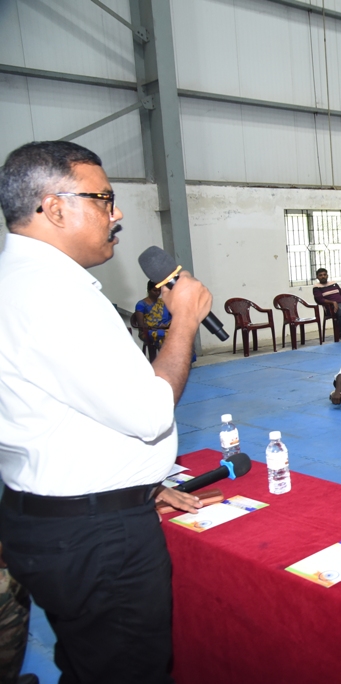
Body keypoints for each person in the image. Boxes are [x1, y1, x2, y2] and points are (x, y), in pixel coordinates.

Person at [0, 140, 212, 680]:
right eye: (103, 199)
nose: (115, 214)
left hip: (50, 515)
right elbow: (147, 412)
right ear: (54, 207)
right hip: (96, 541)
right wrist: (182, 320)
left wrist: (132, 487)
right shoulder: (55, 294)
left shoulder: (15, 282)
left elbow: (57, 412)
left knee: (88, 664)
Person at [133, 280, 172, 358]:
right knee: (165, 334)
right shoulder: (141, 304)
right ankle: (165, 362)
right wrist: (157, 327)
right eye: (155, 291)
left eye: (159, 291)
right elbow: (142, 325)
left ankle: (181, 362)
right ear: (148, 290)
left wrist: (167, 325)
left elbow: (171, 317)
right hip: (149, 331)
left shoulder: (163, 302)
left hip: (165, 328)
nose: (157, 293)